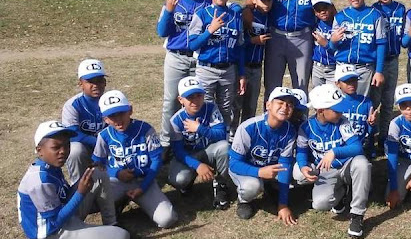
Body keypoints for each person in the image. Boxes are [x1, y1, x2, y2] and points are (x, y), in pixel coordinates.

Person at [18, 121, 129, 239]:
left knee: (97, 174)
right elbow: (54, 223)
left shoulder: (50, 166)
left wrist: (80, 191)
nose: (63, 151)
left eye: (66, 145)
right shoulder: (39, 180)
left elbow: (62, 201)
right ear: (39, 150)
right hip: (53, 234)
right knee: (122, 238)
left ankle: (111, 223)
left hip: (65, 219)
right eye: (56, 147)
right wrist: (80, 193)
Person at [294, 83, 371, 238]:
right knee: (319, 203)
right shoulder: (306, 127)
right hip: (326, 171)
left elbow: (357, 147)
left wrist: (334, 152)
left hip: (347, 166)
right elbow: (301, 152)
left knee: (362, 163)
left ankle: (357, 215)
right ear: (321, 110)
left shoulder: (343, 122)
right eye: (336, 109)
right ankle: (341, 194)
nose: (341, 111)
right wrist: (303, 167)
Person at [93, 90, 178, 228]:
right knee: (94, 201)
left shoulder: (145, 129)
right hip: (116, 182)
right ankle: (118, 205)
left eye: (121, 113)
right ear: (105, 119)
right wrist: (116, 173)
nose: (118, 120)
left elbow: (156, 160)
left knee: (167, 219)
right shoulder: (104, 136)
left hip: (143, 180)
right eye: (112, 116)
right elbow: (98, 165)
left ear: (130, 110)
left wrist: (143, 187)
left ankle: (139, 199)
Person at [157, 0, 209, 149]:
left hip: (199, 57)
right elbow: (162, 31)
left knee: (197, 100)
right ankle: (166, 142)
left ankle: (195, 140)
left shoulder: (206, 2)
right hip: (176, 56)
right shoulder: (173, 2)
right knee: (171, 101)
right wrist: (169, 11)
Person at [229, 87, 298, 225]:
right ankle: (244, 200)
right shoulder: (248, 127)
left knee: (293, 173)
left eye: (289, 104)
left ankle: (271, 189)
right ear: (268, 105)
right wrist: (259, 172)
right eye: (280, 102)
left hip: (269, 170)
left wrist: (283, 205)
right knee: (253, 186)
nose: (285, 107)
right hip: (245, 170)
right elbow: (234, 163)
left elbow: (284, 165)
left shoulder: (290, 130)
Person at [188, 0, 246, 130]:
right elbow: (192, 44)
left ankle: (223, 142)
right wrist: (210, 30)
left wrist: (241, 74)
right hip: (206, 68)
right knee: (204, 107)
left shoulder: (235, 16)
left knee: (225, 109)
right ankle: (203, 143)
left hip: (228, 69)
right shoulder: (201, 14)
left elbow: (240, 47)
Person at [168, 76, 230, 209]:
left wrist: (199, 129)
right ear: (181, 100)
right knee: (178, 179)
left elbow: (221, 134)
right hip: (189, 155)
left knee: (224, 147)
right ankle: (188, 183)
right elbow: (178, 151)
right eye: (190, 97)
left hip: (209, 150)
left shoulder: (211, 108)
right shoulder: (176, 120)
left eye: (199, 95)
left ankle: (221, 185)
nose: (195, 101)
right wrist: (197, 165)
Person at [330, 0, 387, 97]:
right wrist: (333, 41)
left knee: (360, 103)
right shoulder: (340, 17)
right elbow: (333, 47)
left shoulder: (375, 15)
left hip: (364, 68)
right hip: (343, 66)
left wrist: (379, 71)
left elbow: (381, 44)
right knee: (340, 102)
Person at [368, 0, 406, 149]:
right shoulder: (373, 11)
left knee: (389, 101)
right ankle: (370, 137)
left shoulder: (400, 8)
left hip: (393, 59)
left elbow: (404, 37)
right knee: (374, 101)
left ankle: (384, 137)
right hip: (377, 62)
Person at [62, 58, 108, 185]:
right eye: (90, 81)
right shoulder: (72, 105)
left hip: (109, 148)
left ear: (104, 82)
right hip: (86, 149)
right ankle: (78, 187)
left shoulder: (111, 101)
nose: (95, 85)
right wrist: (99, 143)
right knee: (75, 150)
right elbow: (72, 133)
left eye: (99, 80)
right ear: (80, 84)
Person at [236, 0, 274, 125]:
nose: (266, 3)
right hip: (242, 65)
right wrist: (252, 40)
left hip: (257, 66)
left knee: (251, 105)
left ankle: (246, 133)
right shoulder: (245, 13)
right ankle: (233, 135)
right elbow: (237, 41)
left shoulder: (269, 16)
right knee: (237, 103)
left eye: (269, 0)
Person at [333, 63, 377, 158]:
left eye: (354, 80)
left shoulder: (366, 102)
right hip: (341, 147)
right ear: (337, 84)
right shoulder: (334, 103)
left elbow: (370, 133)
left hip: (361, 147)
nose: (351, 84)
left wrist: (371, 124)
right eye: (347, 81)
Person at [310, 0, 337, 87]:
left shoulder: (338, 24)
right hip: (317, 67)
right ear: (314, 12)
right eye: (318, 9)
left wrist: (326, 44)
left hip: (333, 67)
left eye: (325, 7)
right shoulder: (314, 24)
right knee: (317, 97)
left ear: (331, 7)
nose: (322, 12)